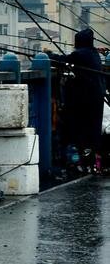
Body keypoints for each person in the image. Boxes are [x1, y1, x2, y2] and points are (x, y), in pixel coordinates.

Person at [48, 27, 106, 173]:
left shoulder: (81, 54)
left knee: (81, 130)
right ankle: (91, 161)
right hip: (96, 97)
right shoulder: (92, 53)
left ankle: (83, 160)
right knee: (92, 131)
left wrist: (47, 55)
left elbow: (63, 60)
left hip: (87, 99)